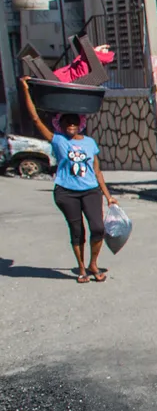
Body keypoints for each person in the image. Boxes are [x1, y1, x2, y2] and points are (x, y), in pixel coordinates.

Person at [18, 76, 119, 283]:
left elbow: (97, 171)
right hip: (66, 192)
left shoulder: (90, 143)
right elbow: (36, 119)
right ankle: (82, 269)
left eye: (74, 122)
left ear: (80, 124)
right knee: (77, 231)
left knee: (98, 228)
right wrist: (26, 89)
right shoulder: (58, 141)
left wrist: (108, 196)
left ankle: (93, 263)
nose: (71, 125)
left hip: (91, 190)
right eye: (66, 123)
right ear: (60, 125)